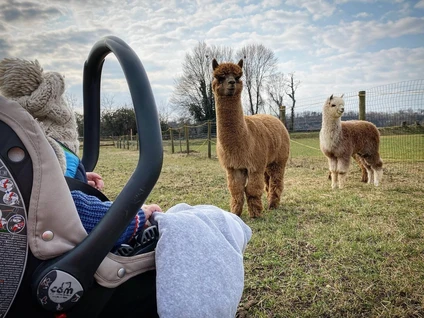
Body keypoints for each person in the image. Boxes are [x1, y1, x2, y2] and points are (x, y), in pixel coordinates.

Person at [0, 57, 162, 249]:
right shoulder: (46, 197)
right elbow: (80, 215)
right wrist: (136, 217)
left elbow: (33, 182)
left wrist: (77, 178)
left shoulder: (12, 178)